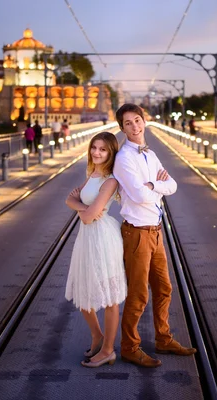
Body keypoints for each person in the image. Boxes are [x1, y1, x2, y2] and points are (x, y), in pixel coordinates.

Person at [113, 103, 197, 368]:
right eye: (128, 123)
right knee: (138, 294)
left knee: (164, 288)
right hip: (137, 234)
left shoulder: (150, 154)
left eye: (137, 120)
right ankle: (129, 346)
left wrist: (154, 186)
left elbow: (172, 185)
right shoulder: (125, 158)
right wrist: (155, 188)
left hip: (156, 231)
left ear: (144, 121)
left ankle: (163, 338)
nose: (135, 126)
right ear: (122, 128)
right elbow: (138, 196)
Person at [65, 131, 127, 368]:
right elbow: (69, 200)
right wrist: (83, 207)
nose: (97, 152)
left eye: (103, 149)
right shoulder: (92, 174)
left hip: (102, 238)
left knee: (110, 298)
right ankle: (97, 336)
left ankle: (108, 350)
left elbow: (90, 217)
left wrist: (82, 209)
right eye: (94, 148)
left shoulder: (110, 181)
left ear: (111, 153)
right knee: (83, 290)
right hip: (86, 237)